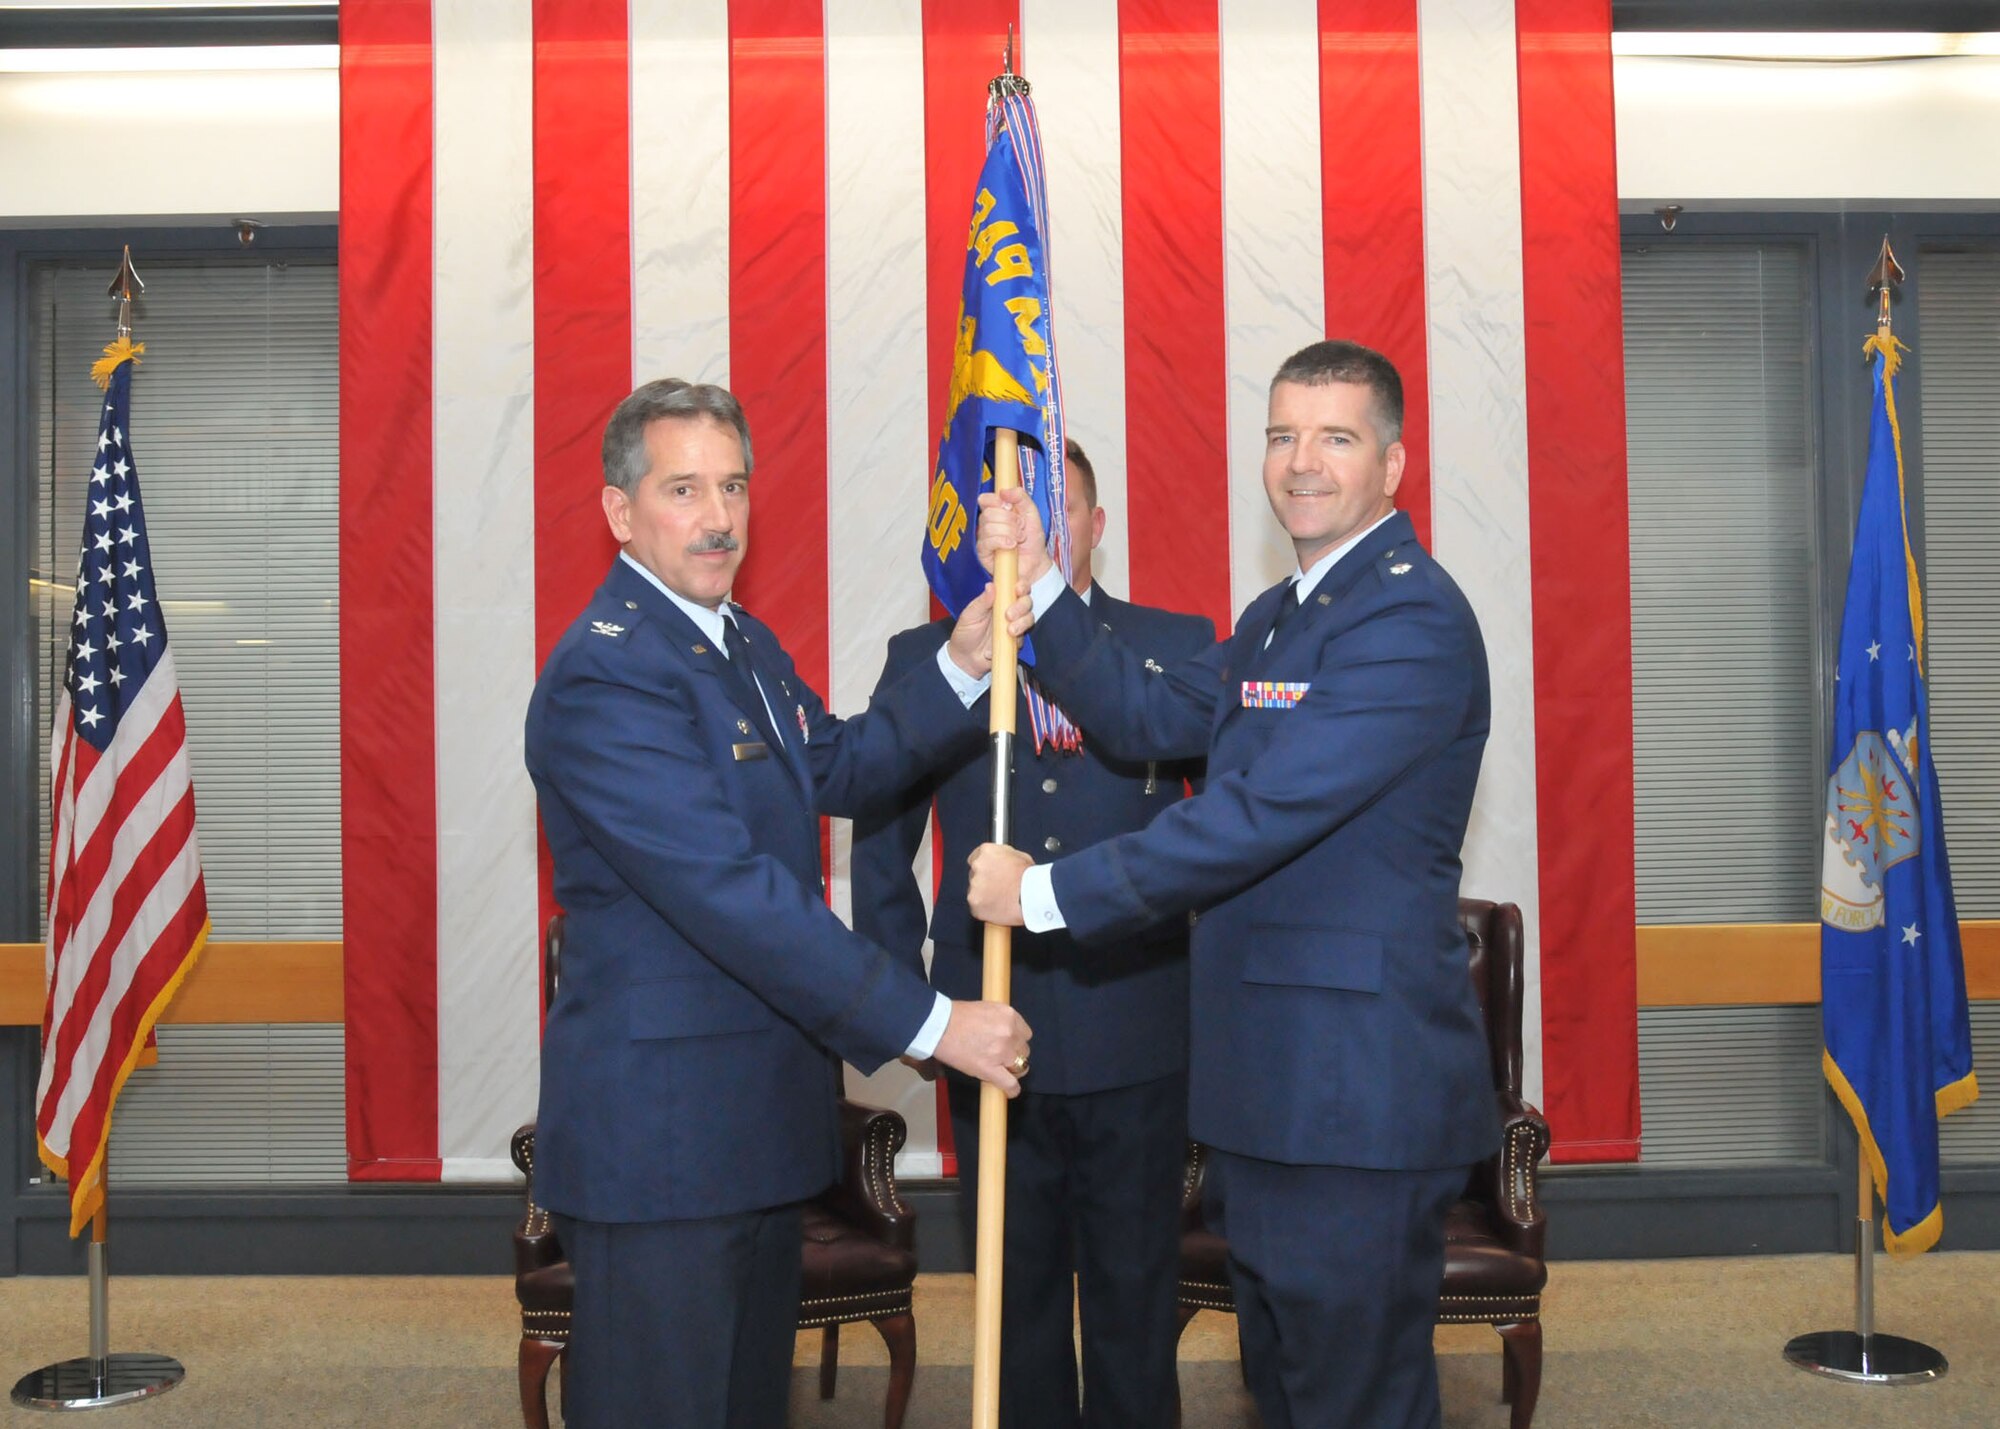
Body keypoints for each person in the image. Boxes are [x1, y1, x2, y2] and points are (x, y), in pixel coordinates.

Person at [968, 341, 1499, 1429]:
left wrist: (1045, 895)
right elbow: (1141, 713)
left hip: (1352, 1100)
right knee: (1288, 1386)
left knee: (1353, 1398)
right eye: (1281, 435)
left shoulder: (1408, 620)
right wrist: (1046, 577)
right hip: (1270, 1093)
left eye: (1335, 438)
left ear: (1393, 465)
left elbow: (1257, 815)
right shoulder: (1280, 617)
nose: (1301, 462)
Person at [524, 378, 1032, 1428]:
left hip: (753, 1131)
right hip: (662, 1147)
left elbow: (837, 761)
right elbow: (734, 896)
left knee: (746, 1404)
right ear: (620, 510)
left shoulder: (737, 643)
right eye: (683, 490)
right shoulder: (604, 676)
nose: (717, 516)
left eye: (734, 486)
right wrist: (933, 1023)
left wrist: (960, 663)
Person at [851, 439, 1214, 1429]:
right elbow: (880, 840)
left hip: (1138, 1019)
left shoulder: (1175, 647)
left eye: (1058, 511)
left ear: (1095, 526)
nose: (1033, 530)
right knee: (1013, 1302)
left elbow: (1224, 834)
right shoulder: (929, 658)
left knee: (1136, 1297)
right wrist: (904, 1007)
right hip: (986, 1026)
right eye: (1012, 513)